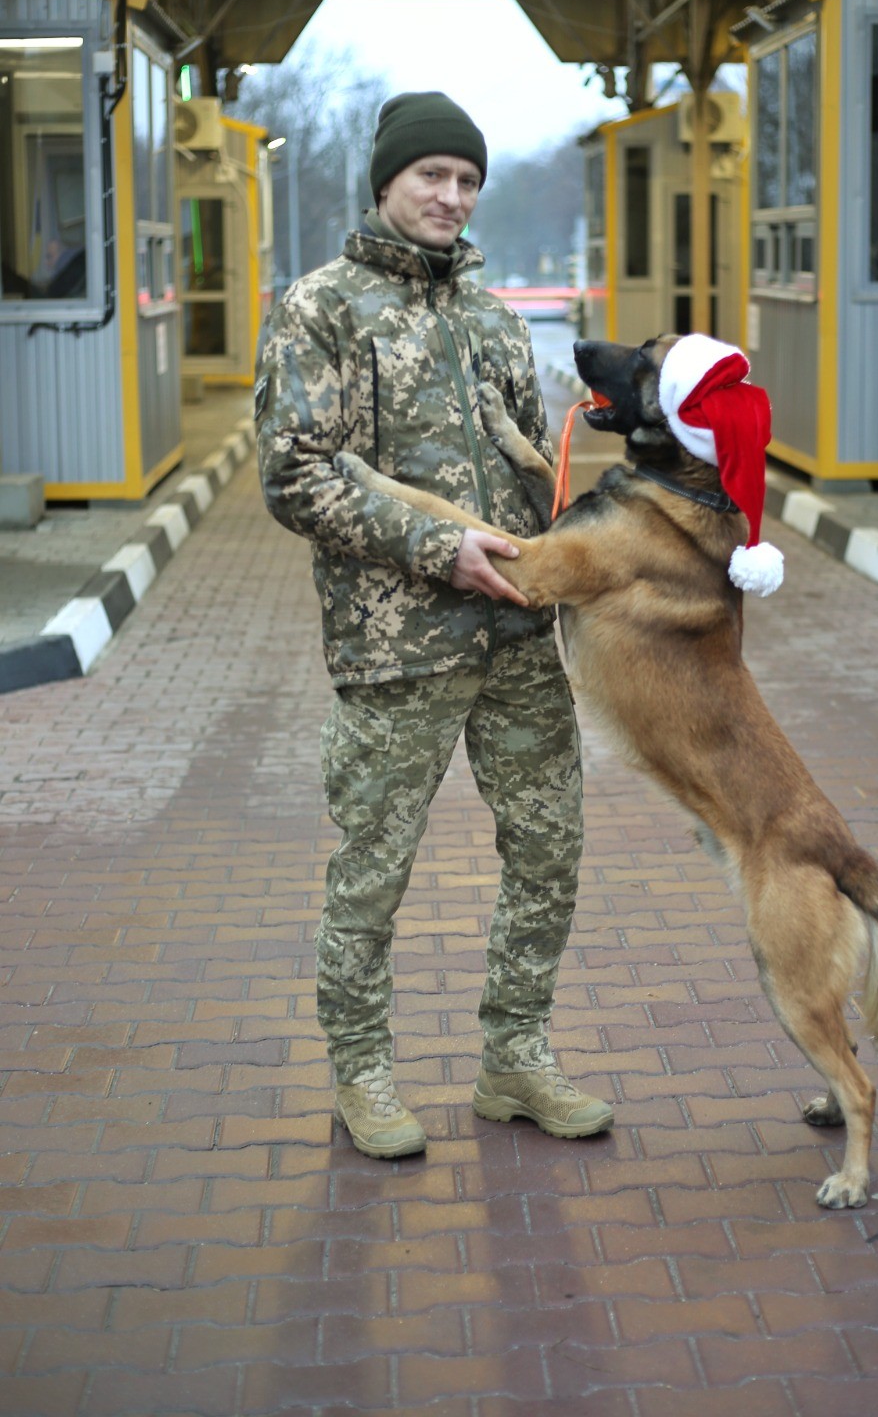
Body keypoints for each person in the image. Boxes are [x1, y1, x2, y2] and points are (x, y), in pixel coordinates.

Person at [254, 90, 613, 1158]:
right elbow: (294, 476)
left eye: (466, 181)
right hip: (394, 646)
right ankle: (362, 1075)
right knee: (372, 869)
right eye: (432, 177)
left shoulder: (494, 317)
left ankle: (515, 1056)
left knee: (550, 847)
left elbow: (530, 463)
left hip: (513, 638)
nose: (451, 197)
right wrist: (432, 547)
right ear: (387, 181)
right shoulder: (319, 309)